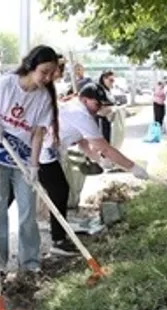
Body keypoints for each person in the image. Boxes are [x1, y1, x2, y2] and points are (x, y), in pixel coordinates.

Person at [40, 83, 149, 255]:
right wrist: (132, 167)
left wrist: (97, 159)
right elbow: (104, 147)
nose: (99, 108)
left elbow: (82, 140)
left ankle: (59, 238)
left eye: (102, 104)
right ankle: (58, 241)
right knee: (59, 192)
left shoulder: (76, 109)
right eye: (97, 104)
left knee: (59, 191)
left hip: (48, 152)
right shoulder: (80, 114)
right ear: (84, 99)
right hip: (42, 154)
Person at [0, 45, 58, 281]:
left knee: (27, 212)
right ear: (31, 66)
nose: (47, 78)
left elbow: (38, 133)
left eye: (51, 74)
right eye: (44, 72)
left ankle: (30, 262)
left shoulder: (43, 97)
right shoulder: (4, 85)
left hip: (23, 159)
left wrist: (34, 166)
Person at [97, 70, 117, 143]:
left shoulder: (107, 90)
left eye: (113, 80)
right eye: (111, 80)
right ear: (104, 79)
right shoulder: (99, 89)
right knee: (104, 139)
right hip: (101, 118)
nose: (112, 82)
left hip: (108, 119)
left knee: (108, 138)